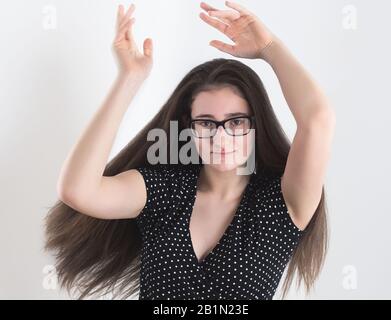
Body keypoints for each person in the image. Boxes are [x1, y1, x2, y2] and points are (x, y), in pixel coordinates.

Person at [44, 1, 336, 300]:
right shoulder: (163, 192)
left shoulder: (280, 205)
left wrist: (269, 47)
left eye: (235, 122)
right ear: (189, 127)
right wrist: (128, 79)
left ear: (256, 124)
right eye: (207, 124)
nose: (221, 138)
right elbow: (78, 191)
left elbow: (317, 119)